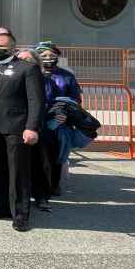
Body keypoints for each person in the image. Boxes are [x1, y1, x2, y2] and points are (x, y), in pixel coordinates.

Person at [0, 30, 45, 232]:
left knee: (18, 172)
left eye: (2, 46)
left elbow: (36, 101)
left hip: (17, 128)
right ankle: (2, 208)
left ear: (13, 48)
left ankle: (21, 214)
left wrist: (32, 127)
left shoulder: (28, 68)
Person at [34, 41, 82, 199]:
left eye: (52, 55)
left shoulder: (67, 75)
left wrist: (65, 115)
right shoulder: (32, 73)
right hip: (36, 120)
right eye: (44, 55)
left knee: (55, 155)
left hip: (59, 121)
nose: (48, 58)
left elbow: (75, 99)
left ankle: (53, 185)